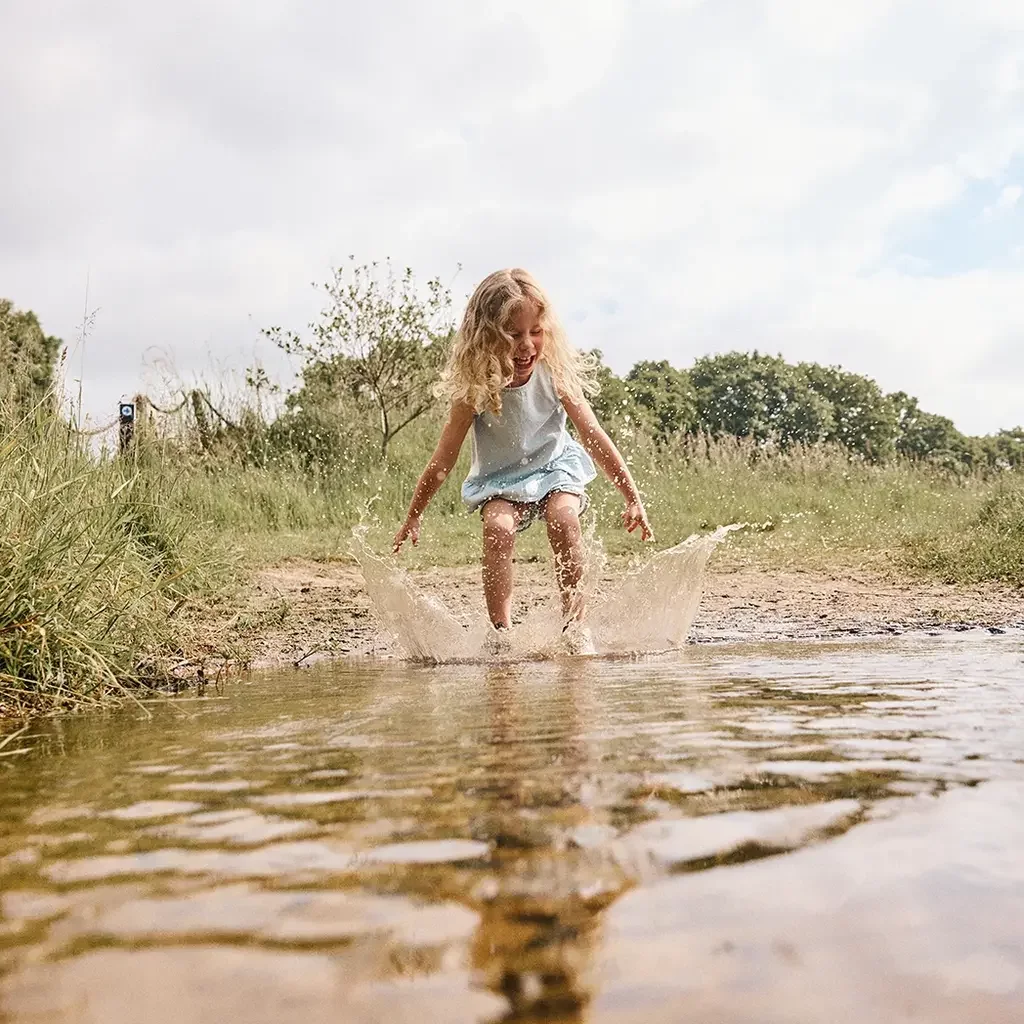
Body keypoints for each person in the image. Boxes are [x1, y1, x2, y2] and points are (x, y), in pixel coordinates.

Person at [392, 268, 652, 654]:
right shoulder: (475, 387)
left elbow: (593, 435)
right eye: (513, 334)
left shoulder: (555, 373)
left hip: (554, 468)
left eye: (536, 331)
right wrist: (414, 514)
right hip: (500, 479)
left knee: (564, 519)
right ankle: (500, 634)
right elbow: (444, 459)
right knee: (498, 528)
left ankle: (574, 628)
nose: (526, 345)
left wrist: (632, 496)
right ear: (486, 337)